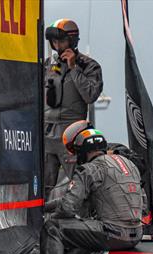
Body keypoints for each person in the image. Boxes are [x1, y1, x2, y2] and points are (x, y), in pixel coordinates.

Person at [40, 122, 146, 254]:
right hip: (136, 234)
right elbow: (142, 206)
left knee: (52, 228)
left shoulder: (90, 169)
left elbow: (68, 207)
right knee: (85, 232)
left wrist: (44, 213)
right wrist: (45, 206)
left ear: (83, 151)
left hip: (113, 234)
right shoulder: (129, 164)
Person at [44, 19, 103, 195]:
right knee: (43, 186)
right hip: (46, 133)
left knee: (78, 183)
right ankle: (42, 219)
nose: (57, 45)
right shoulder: (47, 65)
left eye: (61, 41)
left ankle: (81, 218)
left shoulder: (89, 66)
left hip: (72, 134)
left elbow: (91, 95)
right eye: (54, 42)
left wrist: (74, 68)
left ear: (72, 40)